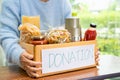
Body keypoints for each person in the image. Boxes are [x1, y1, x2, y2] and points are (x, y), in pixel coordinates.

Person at [0, 0, 99, 78]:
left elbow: (70, 37)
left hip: (58, 70)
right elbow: (6, 34)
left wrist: (86, 53)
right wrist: (18, 55)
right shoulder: (12, 1)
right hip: (21, 70)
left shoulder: (64, 3)